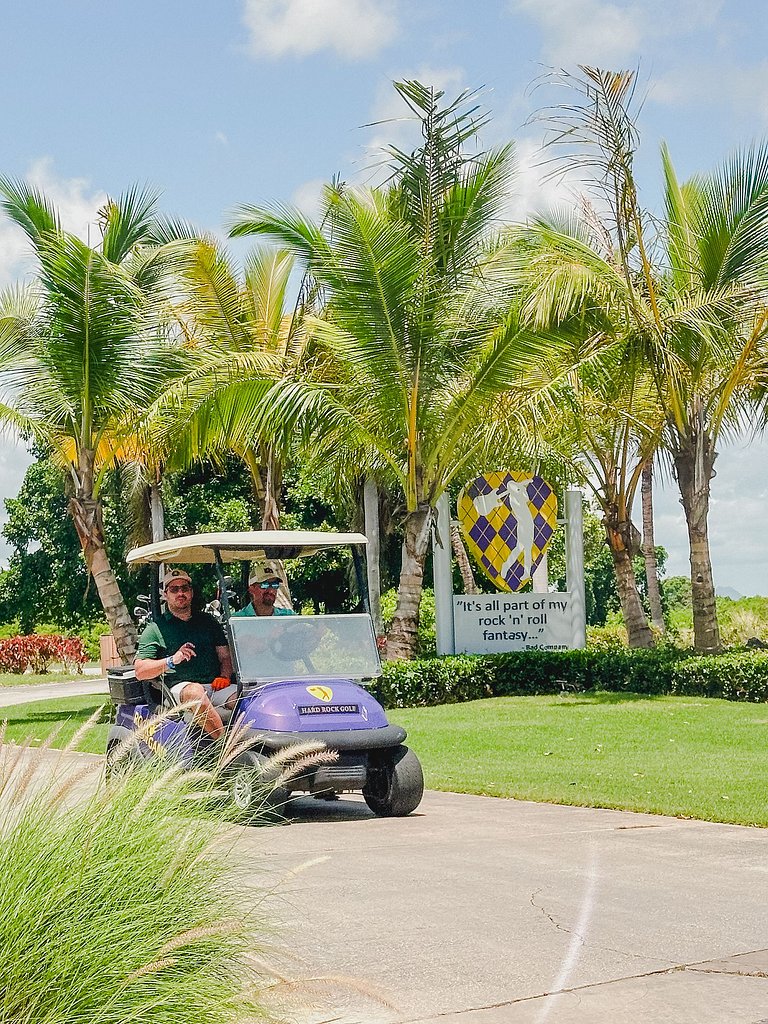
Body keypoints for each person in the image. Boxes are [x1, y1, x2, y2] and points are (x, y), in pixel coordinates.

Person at [134, 568, 237, 740]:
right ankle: (226, 748)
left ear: (191, 592)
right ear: (166, 594)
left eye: (184, 588)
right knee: (195, 692)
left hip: (214, 685)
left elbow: (225, 656)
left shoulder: (208, 622)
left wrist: (225, 676)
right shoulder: (155, 629)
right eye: (174, 589)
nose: (180, 593)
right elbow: (140, 670)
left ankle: (261, 747)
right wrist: (171, 660)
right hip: (178, 689)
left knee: (249, 697)